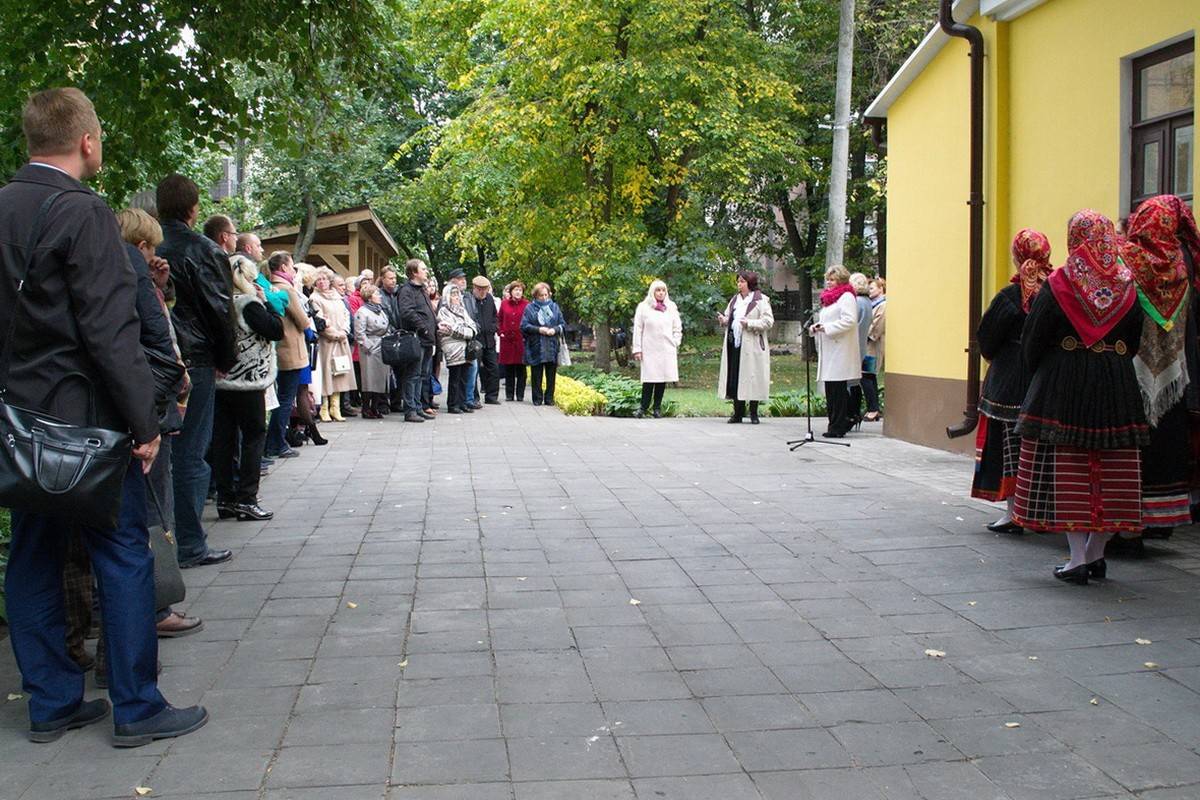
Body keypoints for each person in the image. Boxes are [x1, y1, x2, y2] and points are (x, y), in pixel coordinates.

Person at [0, 87, 206, 746]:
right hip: (86, 421)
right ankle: (136, 705)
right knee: (122, 554)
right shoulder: (84, 214)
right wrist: (145, 422)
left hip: (18, 420)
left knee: (31, 555)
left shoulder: (4, 207)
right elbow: (109, 330)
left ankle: (52, 700)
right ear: (87, 141)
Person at [1013, 210, 1149, 584]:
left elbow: (1033, 339)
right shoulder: (1127, 284)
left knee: (1068, 466)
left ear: (1075, 239)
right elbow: (1134, 340)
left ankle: (1076, 558)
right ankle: (1096, 554)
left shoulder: (1060, 283)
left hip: (1064, 382)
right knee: (1113, 466)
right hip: (1116, 382)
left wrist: (1048, 367)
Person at [114, 208, 201, 638]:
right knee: (152, 509)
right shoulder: (131, 279)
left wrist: (161, 288)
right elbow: (158, 343)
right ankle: (157, 604)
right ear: (142, 245)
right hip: (148, 409)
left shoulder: (110, 277)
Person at [156, 174, 235, 568]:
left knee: (164, 453)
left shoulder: (147, 247)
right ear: (193, 208)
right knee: (191, 453)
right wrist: (226, 357)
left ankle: (168, 538)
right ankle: (189, 543)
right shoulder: (202, 250)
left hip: (157, 359)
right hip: (197, 358)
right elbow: (219, 308)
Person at [1121, 195, 1200, 536]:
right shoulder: (1184, 264)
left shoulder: (1129, 259)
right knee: (1167, 441)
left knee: (1131, 447)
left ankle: (1128, 524)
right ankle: (1161, 520)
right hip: (1176, 367)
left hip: (1131, 368)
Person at [970, 229, 1053, 532]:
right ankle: (1043, 512)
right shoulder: (1058, 290)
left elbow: (987, 338)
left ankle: (1014, 512)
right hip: (1045, 378)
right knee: (1043, 450)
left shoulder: (1008, 296)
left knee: (1010, 448)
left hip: (1008, 380)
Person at [213, 255, 283, 521]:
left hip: (223, 378)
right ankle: (247, 498)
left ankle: (226, 497)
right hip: (249, 379)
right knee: (254, 436)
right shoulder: (248, 304)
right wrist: (267, 303)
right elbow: (276, 330)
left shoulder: (219, 302)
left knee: (224, 439)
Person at [266, 252, 323, 456]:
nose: (293, 271)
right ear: (282, 267)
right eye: (291, 267)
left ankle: (274, 442)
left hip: (282, 349)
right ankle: (276, 443)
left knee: (284, 397)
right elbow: (302, 320)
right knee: (285, 398)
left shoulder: (271, 286)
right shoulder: (286, 289)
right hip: (290, 350)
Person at [717, 270, 774, 424]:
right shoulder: (735, 300)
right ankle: (738, 413)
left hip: (753, 344)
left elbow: (768, 321)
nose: (739, 284)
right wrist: (724, 320)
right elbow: (730, 317)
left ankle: (754, 413)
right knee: (735, 376)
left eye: (742, 281)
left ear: (750, 283)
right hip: (735, 343)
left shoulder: (761, 299)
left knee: (753, 377)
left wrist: (749, 323)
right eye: (738, 281)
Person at [809, 265, 858, 437]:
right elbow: (826, 320)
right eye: (827, 279)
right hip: (830, 349)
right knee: (831, 389)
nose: (828, 283)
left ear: (841, 280)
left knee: (837, 390)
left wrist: (827, 327)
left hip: (840, 349)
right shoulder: (830, 299)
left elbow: (849, 320)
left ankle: (838, 426)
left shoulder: (846, 297)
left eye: (832, 279)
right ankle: (834, 424)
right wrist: (817, 327)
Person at [309, 267, 356, 422]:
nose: (322, 282)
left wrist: (344, 331)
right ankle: (324, 407)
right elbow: (319, 320)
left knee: (339, 374)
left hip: (341, 340)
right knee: (326, 374)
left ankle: (335, 408)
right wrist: (334, 333)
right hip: (326, 342)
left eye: (324, 279)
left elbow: (345, 315)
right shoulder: (314, 298)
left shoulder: (337, 297)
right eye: (319, 279)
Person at [631, 279, 683, 418]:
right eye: (658, 290)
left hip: (666, 348)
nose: (660, 293)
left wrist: (676, 341)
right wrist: (637, 349)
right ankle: (643, 408)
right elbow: (638, 328)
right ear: (652, 291)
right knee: (649, 379)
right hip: (649, 348)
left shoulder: (671, 306)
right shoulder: (643, 307)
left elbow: (677, 326)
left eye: (663, 290)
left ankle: (657, 409)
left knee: (662, 379)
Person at [397, 259, 438, 423]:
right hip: (416, 338)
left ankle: (418, 407)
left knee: (422, 374)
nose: (426, 271)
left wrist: (435, 324)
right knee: (412, 374)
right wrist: (424, 327)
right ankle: (410, 410)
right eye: (423, 269)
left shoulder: (421, 290)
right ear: (414, 272)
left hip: (427, 339)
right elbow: (407, 312)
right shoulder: (406, 290)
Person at [521, 282, 566, 406]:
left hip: (552, 345)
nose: (544, 298)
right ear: (536, 296)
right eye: (541, 295)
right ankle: (537, 399)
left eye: (546, 295)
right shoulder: (530, 308)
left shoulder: (554, 307)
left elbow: (562, 324)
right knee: (536, 374)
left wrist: (555, 330)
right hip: (536, 345)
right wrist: (538, 329)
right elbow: (524, 326)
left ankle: (549, 399)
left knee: (551, 375)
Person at [438, 284, 480, 413]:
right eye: (453, 294)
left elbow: (472, 325)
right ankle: (453, 404)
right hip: (453, 348)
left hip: (465, 348)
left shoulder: (462, 309)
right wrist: (466, 331)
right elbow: (450, 328)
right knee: (455, 377)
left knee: (464, 377)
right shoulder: (444, 310)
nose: (456, 297)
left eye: (457, 294)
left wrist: (467, 330)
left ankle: (462, 403)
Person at [354, 283, 391, 419]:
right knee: (369, 379)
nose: (380, 296)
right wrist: (369, 347)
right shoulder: (362, 312)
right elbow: (360, 333)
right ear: (369, 297)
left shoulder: (380, 310)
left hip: (383, 347)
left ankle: (375, 407)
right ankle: (366, 408)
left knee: (380, 379)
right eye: (376, 294)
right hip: (369, 349)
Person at [845, 273, 873, 426]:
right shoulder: (868, 302)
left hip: (852, 345)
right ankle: (855, 414)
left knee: (850, 382)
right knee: (856, 380)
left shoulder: (856, 303)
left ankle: (851, 414)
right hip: (862, 345)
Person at [469, 275, 501, 404]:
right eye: (480, 290)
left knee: (493, 368)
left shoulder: (489, 299)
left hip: (489, 340)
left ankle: (491, 396)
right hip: (476, 340)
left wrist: (494, 327)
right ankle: (474, 398)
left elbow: (495, 316)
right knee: (474, 370)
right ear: (474, 288)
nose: (483, 292)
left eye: (485, 290)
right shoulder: (469, 299)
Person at [498, 280, 530, 401]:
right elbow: (499, 319)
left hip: (521, 340)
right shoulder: (504, 304)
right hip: (507, 340)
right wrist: (500, 332)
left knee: (521, 369)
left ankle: (520, 395)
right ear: (511, 291)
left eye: (520, 290)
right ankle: (509, 395)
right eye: (516, 290)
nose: (518, 292)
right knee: (509, 369)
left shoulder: (527, 304)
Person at [864, 277, 887, 422]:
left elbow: (877, 327)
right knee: (868, 376)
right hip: (867, 346)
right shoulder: (872, 304)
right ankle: (872, 408)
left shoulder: (883, 305)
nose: (869, 290)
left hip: (872, 346)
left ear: (881, 289)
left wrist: (864, 335)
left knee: (867, 376)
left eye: (872, 288)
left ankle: (873, 409)